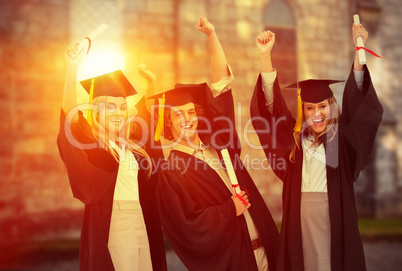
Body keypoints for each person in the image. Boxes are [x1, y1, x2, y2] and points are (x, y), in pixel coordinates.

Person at [250, 23, 383, 271]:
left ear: (331, 105)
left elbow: (359, 111)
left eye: (322, 106)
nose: (317, 113)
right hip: (299, 215)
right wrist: (265, 56)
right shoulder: (295, 140)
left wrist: (358, 51)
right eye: (310, 108)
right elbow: (271, 112)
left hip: (334, 214)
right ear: (303, 110)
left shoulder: (339, 139)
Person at [151, 17, 279, 271]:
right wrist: (229, 209)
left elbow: (220, 89)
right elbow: (184, 226)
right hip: (235, 259)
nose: (186, 119)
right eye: (177, 115)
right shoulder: (171, 171)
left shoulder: (219, 145)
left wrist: (212, 36)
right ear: (167, 123)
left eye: (190, 112)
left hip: (266, 252)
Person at [57, 43, 167, 271]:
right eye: (109, 107)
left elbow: (148, 120)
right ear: (96, 111)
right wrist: (72, 68)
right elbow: (70, 118)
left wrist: (152, 84)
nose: (117, 113)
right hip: (113, 227)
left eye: (121, 107)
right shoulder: (94, 144)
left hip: (141, 223)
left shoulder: (132, 145)